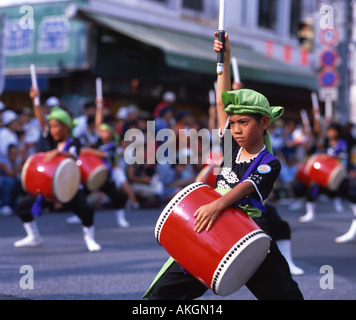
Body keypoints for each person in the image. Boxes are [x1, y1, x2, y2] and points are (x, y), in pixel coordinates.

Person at [143, 32, 303, 300]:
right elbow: (221, 103)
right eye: (234, 122)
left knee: (286, 296)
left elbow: (247, 186)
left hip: (247, 230)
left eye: (244, 123)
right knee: (161, 296)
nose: (236, 129)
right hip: (211, 225)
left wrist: (217, 204)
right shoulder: (231, 145)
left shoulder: (268, 162)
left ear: (264, 123)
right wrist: (224, 58)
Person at [13, 87, 101, 252]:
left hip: (69, 186)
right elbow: (41, 119)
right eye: (51, 127)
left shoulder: (73, 142)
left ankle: (90, 239)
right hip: (47, 185)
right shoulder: (50, 140)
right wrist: (35, 99)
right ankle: (33, 236)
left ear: (66, 126)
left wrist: (60, 152)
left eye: (56, 126)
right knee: (22, 206)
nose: (52, 130)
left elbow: (74, 157)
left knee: (86, 211)